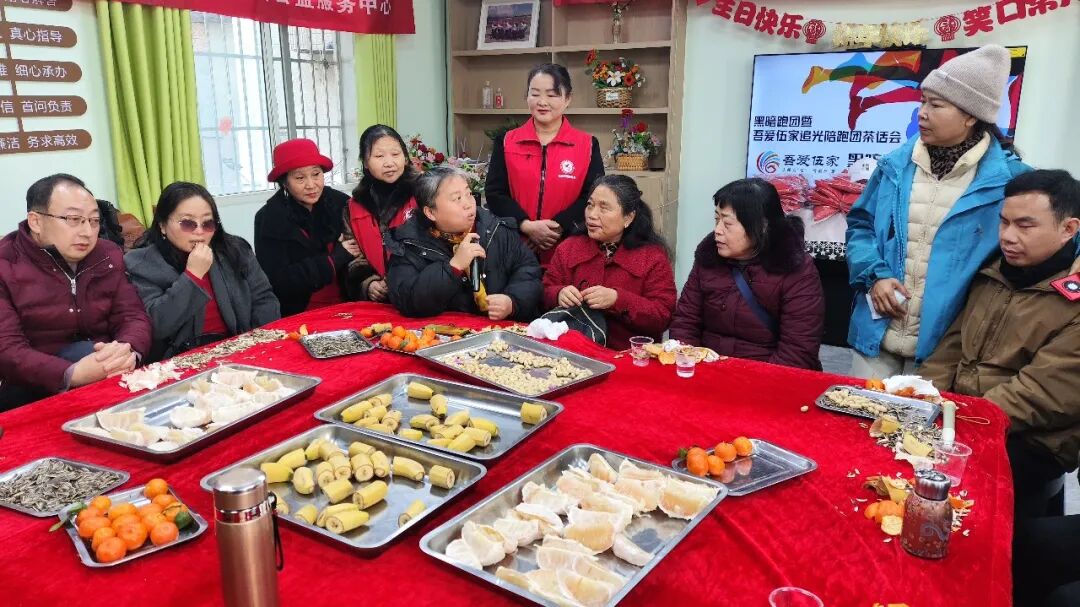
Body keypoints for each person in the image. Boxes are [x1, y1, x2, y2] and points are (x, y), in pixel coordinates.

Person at [845, 44, 1031, 377]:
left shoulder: (1012, 181)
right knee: (859, 410)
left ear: (970, 115)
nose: (922, 113)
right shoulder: (893, 166)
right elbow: (861, 226)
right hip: (876, 336)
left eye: (936, 104)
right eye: (922, 101)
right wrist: (876, 276)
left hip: (948, 350)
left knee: (926, 413)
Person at [920, 170, 1080, 520]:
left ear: (1068, 228)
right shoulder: (993, 273)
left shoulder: (1074, 299)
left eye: (1025, 226)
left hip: (1029, 441)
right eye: (1004, 222)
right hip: (964, 419)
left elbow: (1041, 394)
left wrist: (955, 424)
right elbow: (951, 350)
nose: (1008, 236)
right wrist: (922, 402)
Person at [0, 174, 151, 409]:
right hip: (35, 387)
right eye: (73, 219)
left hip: (108, 372)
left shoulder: (107, 254)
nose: (87, 232)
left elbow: (132, 315)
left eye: (94, 221)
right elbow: (8, 350)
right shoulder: (5, 264)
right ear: (36, 221)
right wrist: (72, 373)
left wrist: (127, 349)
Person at [670, 178, 824, 369]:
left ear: (761, 226)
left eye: (727, 223)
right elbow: (685, 322)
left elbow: (798, 350)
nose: (717, 231)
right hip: (707, 368)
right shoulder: (708, 258)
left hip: (765, 374)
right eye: (717, 220)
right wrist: (689, 364)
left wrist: (751, 381)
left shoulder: (796, 269)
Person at [125, 182, 280, 361]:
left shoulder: (235, 250)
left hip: (243, 351)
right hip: (178, 363)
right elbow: (156, 326)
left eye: (207, 223)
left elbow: (264, 299)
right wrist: (192, 276)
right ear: (162, 225)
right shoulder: (139, 263)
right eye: (187, 223)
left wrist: (256, 346)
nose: (199, 232)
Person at [484, 63, 605, 263]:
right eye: (534, 94)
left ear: (568, 99)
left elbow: (593, 196)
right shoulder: (506, 142)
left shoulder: (588, 145)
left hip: (569, 251)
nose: (542, 102)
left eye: (552, 95)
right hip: (515, 251)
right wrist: (526, 226)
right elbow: (495, 193)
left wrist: (557, 227)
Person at [386, 166, 542, 321]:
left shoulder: (496, 228)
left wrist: (512, 301)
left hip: (499, 329)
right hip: (446, 331)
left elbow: (528, 271)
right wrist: (453, 267)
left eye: (468, 194)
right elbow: (407, 300)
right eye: (457, 198)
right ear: (431, 213)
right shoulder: (409, 243)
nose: (468, 204)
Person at [542, 175, 676, 350]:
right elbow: (545, 290)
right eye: (590, 205)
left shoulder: (652, 257)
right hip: (573, 351)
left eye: (604, 208)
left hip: (629, 354)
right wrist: (558, 294)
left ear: (628, 217)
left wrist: (618, 300)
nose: (592, 215)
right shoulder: (568, 248)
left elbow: (663, 315)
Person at [254, 138, 355, 316]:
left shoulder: (340, 203)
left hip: (348, 303)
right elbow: (278, 281)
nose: (311, 185)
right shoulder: (269, 218)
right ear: (284, 182)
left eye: (316, 174)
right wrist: (333, 260)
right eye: (300, 178)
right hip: (299, 312)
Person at [344, 124, 418, 302]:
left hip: (420, 292)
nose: (389, 162)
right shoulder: (354, 206)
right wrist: (369, 283)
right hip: (379, 301)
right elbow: (353, 256)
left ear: (405, 158)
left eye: (395, 154)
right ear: (365, 162)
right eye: (379, 156)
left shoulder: (423, 194)